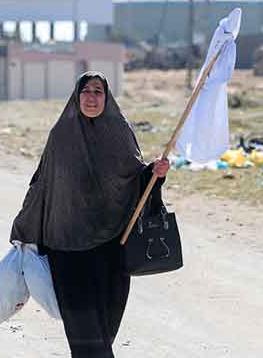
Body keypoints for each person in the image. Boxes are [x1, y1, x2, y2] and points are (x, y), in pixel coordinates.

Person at [10, 71, 169, 358]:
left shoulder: (120, 132)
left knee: (105, 331)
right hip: (68, 249)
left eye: (98, 91)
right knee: (85, 336)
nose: (92, 97)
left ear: (107, 97)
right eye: (86, 91)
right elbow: (43, 184)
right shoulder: (61, 136)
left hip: (112, 248)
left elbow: (134, 180)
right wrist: (25, 228)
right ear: (76, 96)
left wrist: (154, 174)